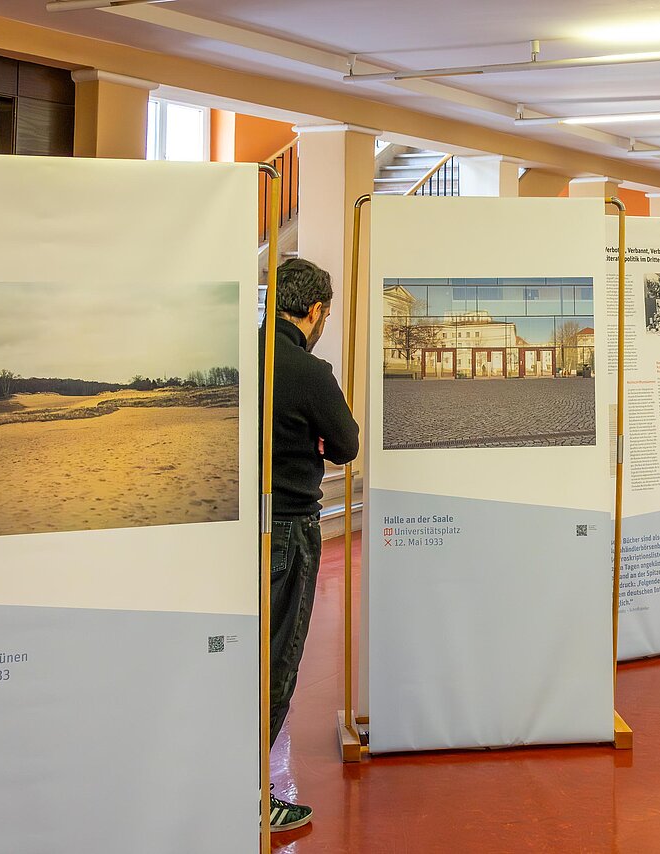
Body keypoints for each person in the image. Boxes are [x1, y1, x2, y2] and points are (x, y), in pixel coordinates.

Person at [262, 258, 360, 831]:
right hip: (290, 528)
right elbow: (345, 445)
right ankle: (253, 796)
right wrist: (315, 439)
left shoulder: (241, 353)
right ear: (317, 310)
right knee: (277, 660)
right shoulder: (310, 372)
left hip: (236, 524)